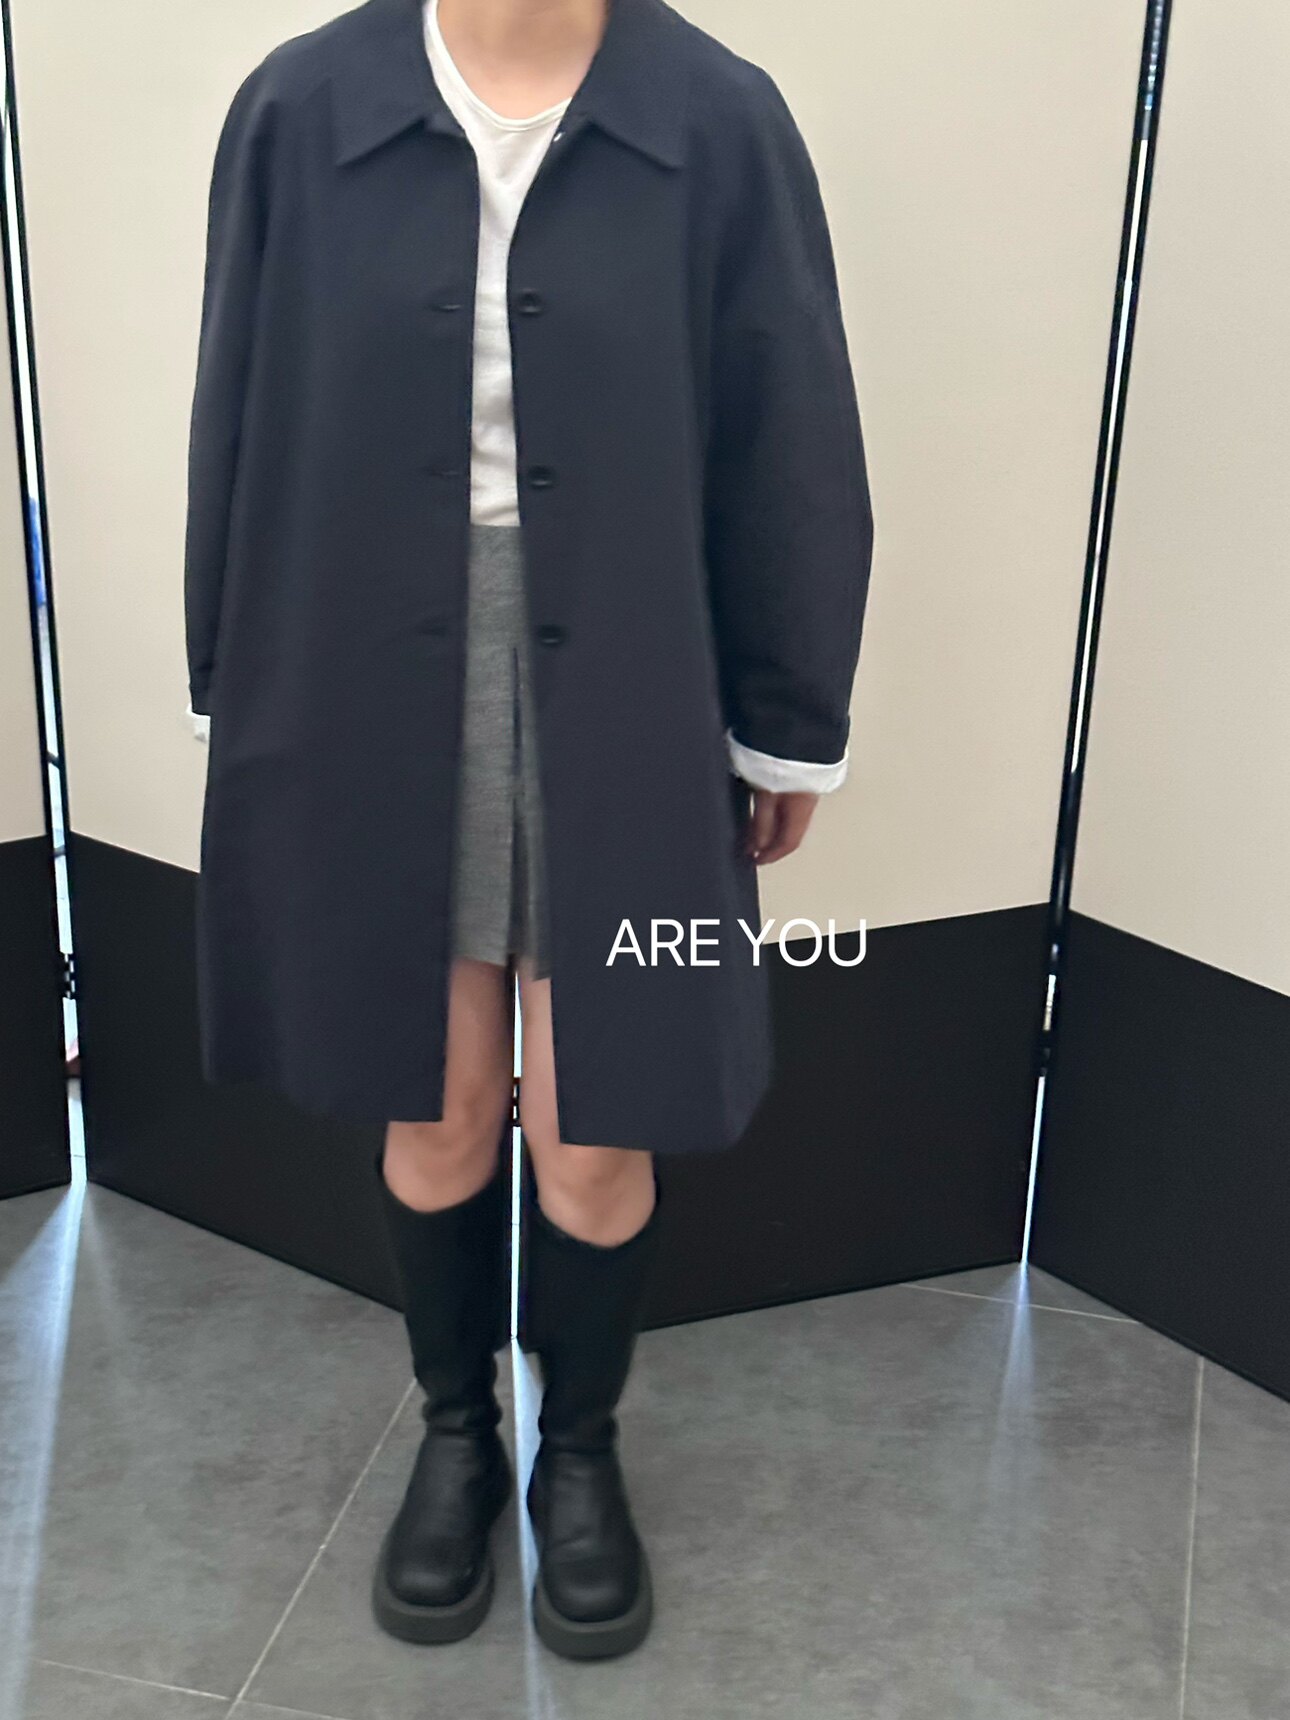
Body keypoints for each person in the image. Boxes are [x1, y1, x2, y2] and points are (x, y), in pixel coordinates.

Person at [184, 0, 873, 1664]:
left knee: (594, 1122)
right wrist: (236, 682)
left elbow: (789, 429)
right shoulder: (300, 109)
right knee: (428, 1105)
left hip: (635, 668)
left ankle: (580, 1450)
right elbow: (236, 407)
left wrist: (786, 712)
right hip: (360, 670)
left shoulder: (716, 118)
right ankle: (456, 1434)